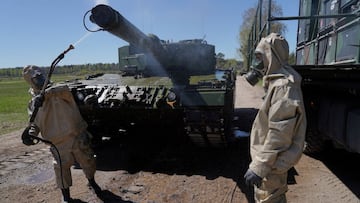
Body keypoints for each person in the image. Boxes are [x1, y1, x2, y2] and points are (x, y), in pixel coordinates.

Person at [21, 65, 102, 203]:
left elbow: (64, 90)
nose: (41, 79)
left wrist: (45, 94)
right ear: (30, 82)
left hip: (76, 134)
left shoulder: (60, 90)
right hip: (57, 142)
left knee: (88, 160)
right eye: (36, 78)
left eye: (42, 76)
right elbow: (35, 123)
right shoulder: (33, 104)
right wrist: (31, 133)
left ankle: (92, 181)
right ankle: (65, 195)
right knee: (61, 168)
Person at [243, 33, 307, 203]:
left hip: (271, 166)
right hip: (271, 162)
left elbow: (279, 134)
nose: (257, 63)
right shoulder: (278, 82)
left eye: (260, 56)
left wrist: (259, 167)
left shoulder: (284, 86)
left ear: (272, 55)